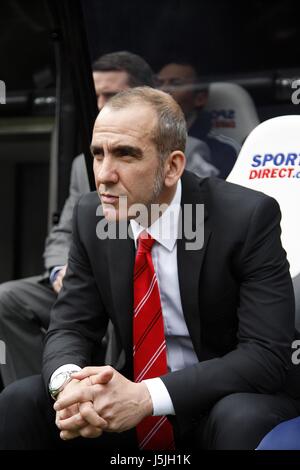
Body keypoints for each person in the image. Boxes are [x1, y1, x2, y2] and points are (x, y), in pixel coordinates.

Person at [0, 86, 299, 450]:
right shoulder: (92, 215)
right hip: (129, 397)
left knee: (240, 417)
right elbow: (71, 326)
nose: (104, 175)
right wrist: (71, 385)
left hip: (219, 399)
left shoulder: (246, 218)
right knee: (21, 401)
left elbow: (265, 357)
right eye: (98, 154)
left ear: (172, 166)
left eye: (125, 155)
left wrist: (145, 397)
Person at [0, 51, 216, 388]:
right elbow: (64, 230)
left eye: (111, 96)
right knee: (10, 300)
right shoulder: (82, 165)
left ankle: (126, 390)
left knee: (123, 297)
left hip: (152, 275)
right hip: (84, 274)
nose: (103, 173)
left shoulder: (191, 156)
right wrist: (60, 272)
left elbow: (198, 218)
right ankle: (54, 394)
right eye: (95, 94)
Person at [157, 61, 240, 178]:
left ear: (200, 98)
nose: (162, 90)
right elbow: (124, 196)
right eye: (159, 83)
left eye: (175, 83)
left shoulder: (226, 152)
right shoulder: (145, 142)